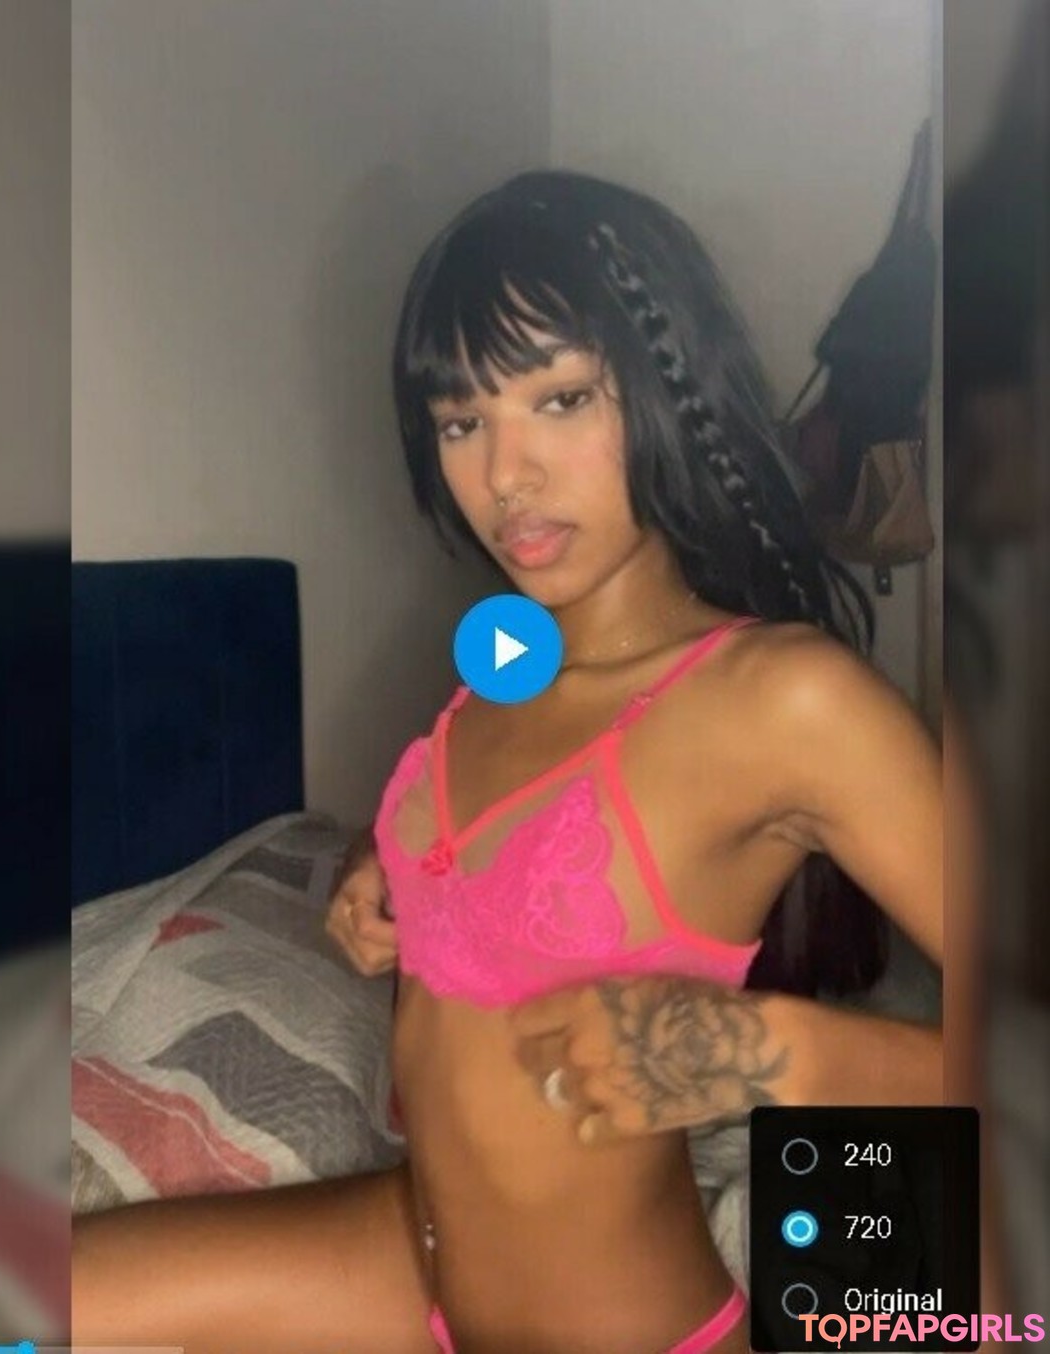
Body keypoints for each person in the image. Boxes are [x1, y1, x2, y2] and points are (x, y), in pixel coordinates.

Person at [73, 171, 943, 1354]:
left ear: (668, 388)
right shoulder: (507, 660)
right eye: (461, 420)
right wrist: (386, 873)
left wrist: (773, 1050)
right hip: (412, 1260)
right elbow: (498, 841)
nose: (505, 475)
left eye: (562, 398)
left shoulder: (783, 697)